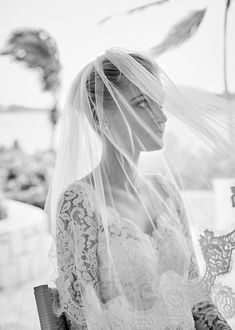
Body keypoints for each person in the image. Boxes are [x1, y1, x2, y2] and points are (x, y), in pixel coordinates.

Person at [44, 48, 232, 329]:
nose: (161, 116)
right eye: (143, 103)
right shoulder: (78, 204)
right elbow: (82, 319)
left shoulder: (166, 191)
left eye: (159, 103)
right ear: (99, 117)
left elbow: (195, 294)